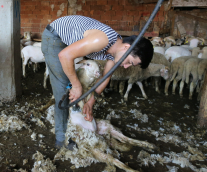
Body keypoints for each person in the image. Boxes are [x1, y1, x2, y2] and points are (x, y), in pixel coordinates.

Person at [41, 15, 154, 149]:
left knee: (73, 84)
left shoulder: (114, 52)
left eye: (131, 65)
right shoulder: (103, 40)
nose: (126, 66)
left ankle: (71, 127)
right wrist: (76, 86)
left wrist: (91, 102)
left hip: (67, 42)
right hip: (55, 38)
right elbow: (64, 55)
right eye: (129, 62)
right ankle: (61, 140)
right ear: (126, 48)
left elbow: (106, 77)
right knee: (63, 88)